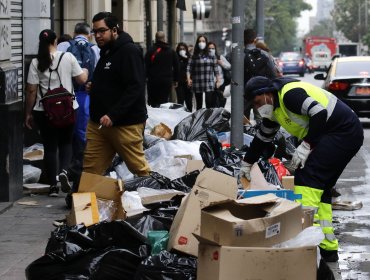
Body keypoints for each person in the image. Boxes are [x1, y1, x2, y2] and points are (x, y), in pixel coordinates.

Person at [240, 76, 364, 263]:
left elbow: (319, 113)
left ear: (266, 93)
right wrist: (247, 163)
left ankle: (307, 246)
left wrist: (306, 145)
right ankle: (327, 248)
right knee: (321, 187)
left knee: (308, 179)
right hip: (337, 134)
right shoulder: (274, 109)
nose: (258, 108)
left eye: (257, 102)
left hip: (342, 131)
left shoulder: (290, 94)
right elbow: (262, 139)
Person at [83, 12, 150, 179]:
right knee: (91, 169)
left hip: (125, 124)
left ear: (114, 30)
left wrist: (114, 114)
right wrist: (94, 86)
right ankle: (84, 201)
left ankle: (154, 197)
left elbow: (135, 87)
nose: (97, 35)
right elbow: (113, 80)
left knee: (139, 169)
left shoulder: (129, 51)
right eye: (94, 32)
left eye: (101, 31)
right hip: (98, 124)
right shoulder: (106, 51)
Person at [25, 29, 88, 196]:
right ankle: (64, 171)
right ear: (55, 42)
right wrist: (86, 71)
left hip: (44, 111)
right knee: (66, 143)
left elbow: (31, 90)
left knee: (50, 146)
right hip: (68, 109)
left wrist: (28, 113)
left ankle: (53, 186)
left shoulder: (35, 62)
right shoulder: (67, 57)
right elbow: (82, 79)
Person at [56, 22, 100, 198]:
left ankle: (63, 168)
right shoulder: (95, 49)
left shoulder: (64, 46)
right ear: (89, 34)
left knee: (65, 131)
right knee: (83, 131)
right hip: (86, 96)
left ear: (73, 33)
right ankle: (79, 165)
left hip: (64, 96)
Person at [243, 29, 279, 120]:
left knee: (242, 120)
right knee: (261, 119)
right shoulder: (264, 54)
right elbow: (273, 74)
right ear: (255, 40)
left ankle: (245, 133)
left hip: (243, 93)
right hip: (260, 92)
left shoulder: (238, 55)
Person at [145, 31, 179, 108]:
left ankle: (154, 117)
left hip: (153, 81)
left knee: (153, 102)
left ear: (156, 38)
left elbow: (145, 66)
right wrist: (176, 80)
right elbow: (177, 66)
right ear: (164, 38)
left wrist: (145, 78)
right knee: (164, 101)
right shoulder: (171, 51)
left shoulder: (150, 51)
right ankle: (162, 117)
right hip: (166, 81)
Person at [186, 35, 221, 110]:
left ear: (206, 43)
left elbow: (216, 69)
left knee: (209, 102)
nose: (201, 43)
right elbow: (189, 68)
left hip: (209, 82)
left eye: (203, 41)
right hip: (197, 82)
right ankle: (199, 119)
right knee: (199, 104)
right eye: (200, 41)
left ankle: (208, 119)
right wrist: (188, 78)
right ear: (197, 43)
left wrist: (218, 80)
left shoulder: (211, 55)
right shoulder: (193, 55)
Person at [207, 41, 231, 108]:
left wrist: (221, 63)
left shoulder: (220, 57)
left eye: (213, 48)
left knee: (220, 102)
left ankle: (219, 116)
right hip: (208, 84)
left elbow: (229, 66)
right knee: (209, 103)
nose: (211, 50)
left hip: (220, 83)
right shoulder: (205, 58)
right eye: (209, 48)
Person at [175, 42, 193, 111]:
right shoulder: (176, 58)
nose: (182, 50)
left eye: (183, 49)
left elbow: (192, 70)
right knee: (180, 101)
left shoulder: (189, 58)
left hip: (188, 83)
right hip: (179, 83)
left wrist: (191, 79)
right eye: (180, 49)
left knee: (189, 102)